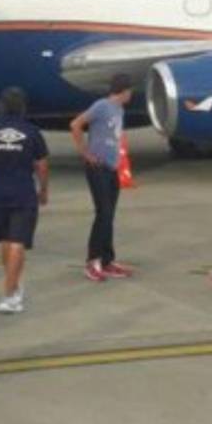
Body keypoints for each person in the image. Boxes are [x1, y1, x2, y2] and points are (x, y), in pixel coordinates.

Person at [0, 87, 49, 313]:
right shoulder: (32, 131)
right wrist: (43, 190)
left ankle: (14, 284)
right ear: (23, 107)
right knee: (17, 242)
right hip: (23, 194)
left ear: (0, 106)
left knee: (6, 240)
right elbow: (41, 165)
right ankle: (9, 293)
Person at [69, 73, 135, 282]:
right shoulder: (102, 106)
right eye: (130, 91)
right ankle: (92, 261)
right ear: (124, 91)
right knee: (103, 213)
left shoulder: (119, 110)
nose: (131, 95)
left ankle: (107, 260)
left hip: (111, 168)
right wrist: (85, 153)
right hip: (97, 167)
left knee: (109, 215)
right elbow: (76, 124)